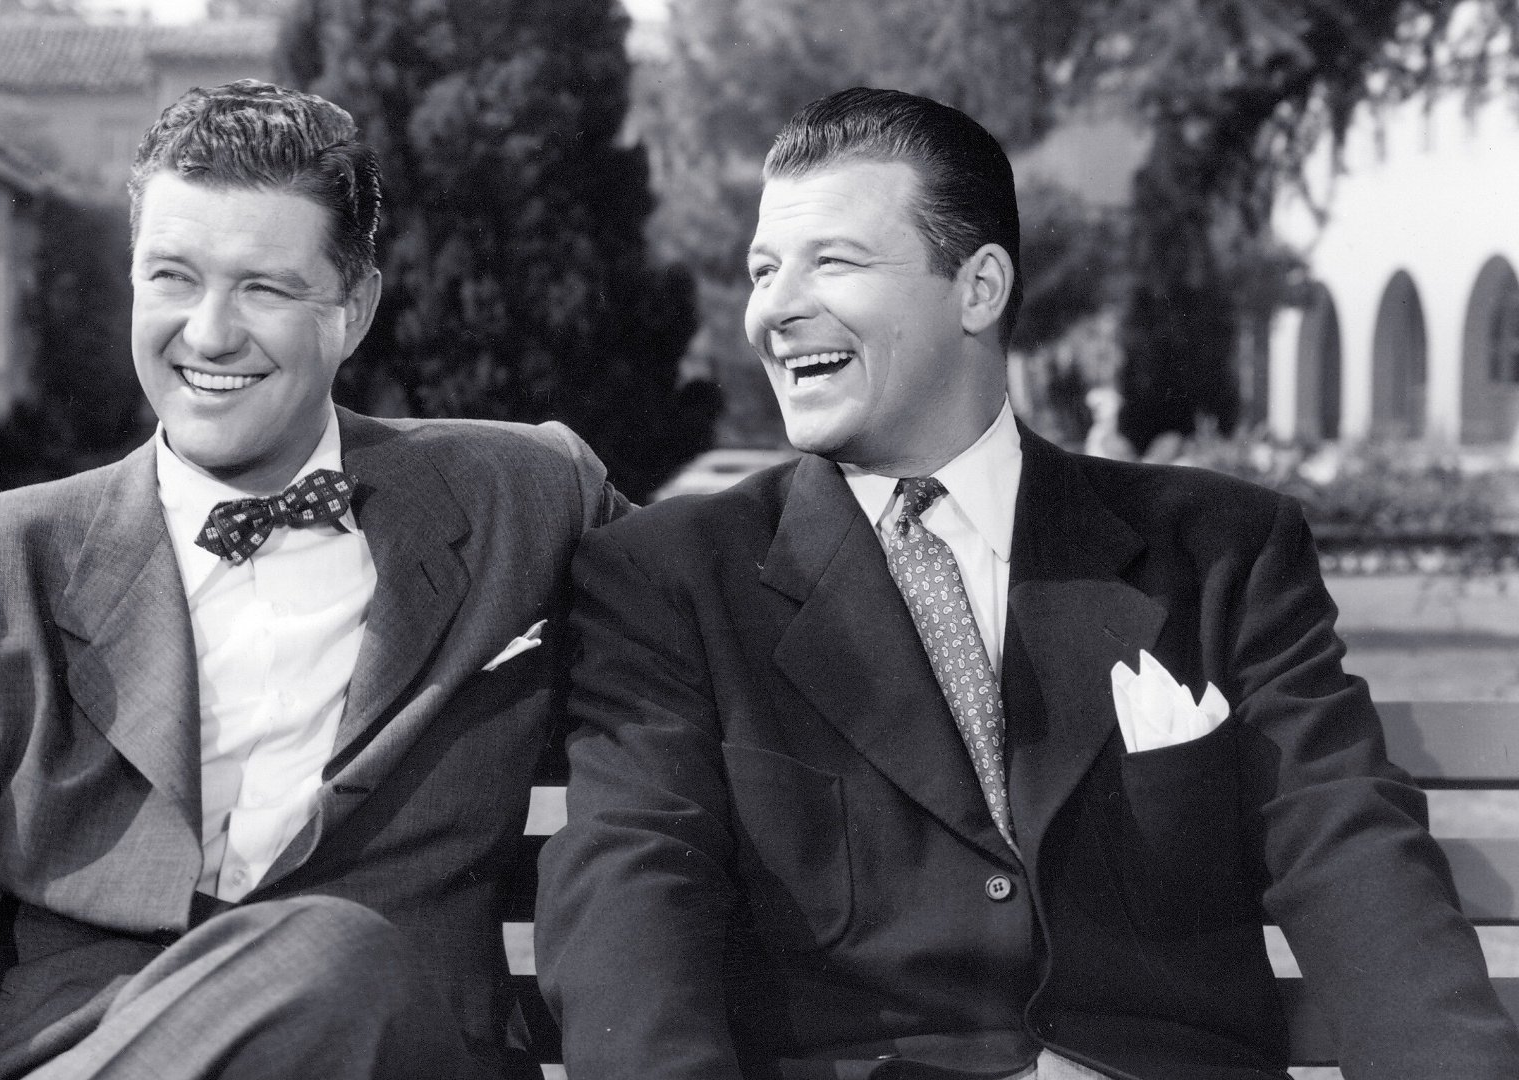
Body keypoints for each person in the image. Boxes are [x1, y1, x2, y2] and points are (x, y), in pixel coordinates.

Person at [536, 87, 1519, 1080]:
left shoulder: (1222, 552)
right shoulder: (670, 580)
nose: (775, 310)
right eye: (763, 269)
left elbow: (1352, 853)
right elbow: (632, 905)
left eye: (832, 261)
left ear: (979, 288)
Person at [0, 80, 624, 1080]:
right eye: (174, 277)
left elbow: (715, 611)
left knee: (337, 952)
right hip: (93, 1052)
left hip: (396, 1044)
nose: (209, 333)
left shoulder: (523, 495)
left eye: (263, 288)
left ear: (353, 312)